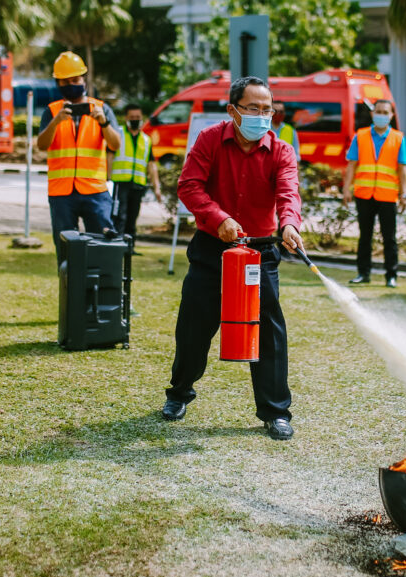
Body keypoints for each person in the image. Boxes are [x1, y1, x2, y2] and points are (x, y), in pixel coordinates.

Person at [162, 76, 304, 441]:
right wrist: (218, 218)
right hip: (212, 249)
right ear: (232, 110)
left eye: (267, 110)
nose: (262, 116)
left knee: (269, 332)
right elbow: (189, 186)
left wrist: (288, 225)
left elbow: (289, 193)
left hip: (259, 253)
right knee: (193, 328)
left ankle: (275, 412)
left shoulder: (282, 151)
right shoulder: (210, 139)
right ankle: (179, 393)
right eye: (253, 109)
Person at [36, 51, 121, 266]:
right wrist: (55, 122)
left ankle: (100, 293)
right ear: (58, 83)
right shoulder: (52, 111)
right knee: (65, 250)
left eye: (75, 80)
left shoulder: (101, 108)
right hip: (61, 193)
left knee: (101, 246)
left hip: (95, 191)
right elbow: (42, 145)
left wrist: (104, 123)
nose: (71, 85)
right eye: (65, 81)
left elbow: (115, 145)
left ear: (83, 79)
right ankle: (70, 294)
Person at [342, 99, 406, 287]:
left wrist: (404, 194)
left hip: (387, 196)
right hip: (364, 194)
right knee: (365, 236)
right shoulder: (360, 136)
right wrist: (346, 189)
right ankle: (363, 273)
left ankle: (391, 275)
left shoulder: (398, 138)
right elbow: (352, 164)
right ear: (372, 114)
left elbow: (402, 169)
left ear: (391, 116)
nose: (381, 115)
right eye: (378, 111)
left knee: (390, 238)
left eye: (385, 112)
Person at [109, 103, 161, 250]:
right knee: (120, 216)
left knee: (132, 218)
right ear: (126, 118)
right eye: (132, 117)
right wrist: (108, 179)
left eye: (137, 117)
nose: (135, 119)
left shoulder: (146, 139)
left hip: (138, 184)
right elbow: (110, 157)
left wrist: (156, 187)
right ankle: (117, 246)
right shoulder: (118, 134)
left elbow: (151, 165)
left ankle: (130, 248)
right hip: (120, 183)